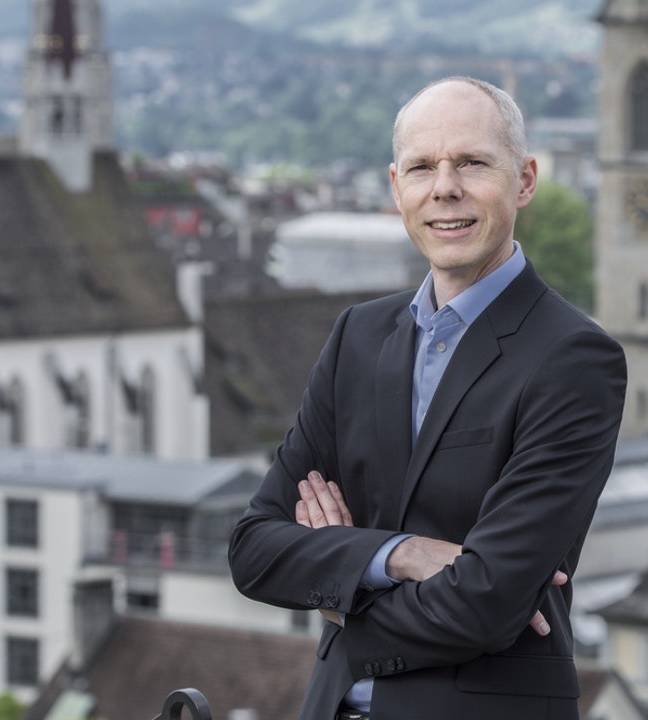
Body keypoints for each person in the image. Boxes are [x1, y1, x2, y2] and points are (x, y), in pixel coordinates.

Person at [228, 76, 627, 720]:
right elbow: (253, 549)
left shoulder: (574, 358)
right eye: (422, 167)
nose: (445, 187)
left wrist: (338, 593)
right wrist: (401, 555)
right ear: (396, 188)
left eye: (472, 163)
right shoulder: (357, 337)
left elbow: (486, 606)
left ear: (523, 180)